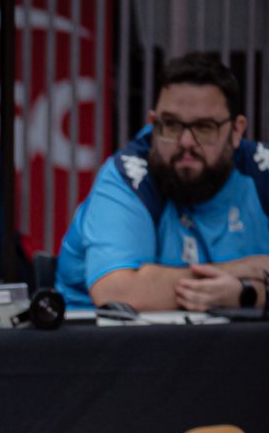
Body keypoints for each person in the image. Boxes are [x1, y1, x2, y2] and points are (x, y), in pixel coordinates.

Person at [57, 52, 269, 312]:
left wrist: (247, 294)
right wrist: (247, 273)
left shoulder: (261, 171)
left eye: (204, 127)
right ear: (153, 123)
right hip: (104, 334)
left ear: (236, 131)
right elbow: (117, 292)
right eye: (171, 125)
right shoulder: (128, 177)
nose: (186, 142)